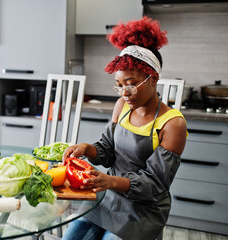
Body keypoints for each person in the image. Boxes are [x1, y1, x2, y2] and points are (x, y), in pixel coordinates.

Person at [61, 16, 187, 240]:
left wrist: (110, 181)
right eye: (119, 86)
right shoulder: (123, 106)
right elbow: (108, 150)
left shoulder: (172, 124)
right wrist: (86, 149)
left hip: (144, 210)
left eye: (131, 84)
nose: (124, 93)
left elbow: (155, 184)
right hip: (108, 197)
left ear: (153, 78)